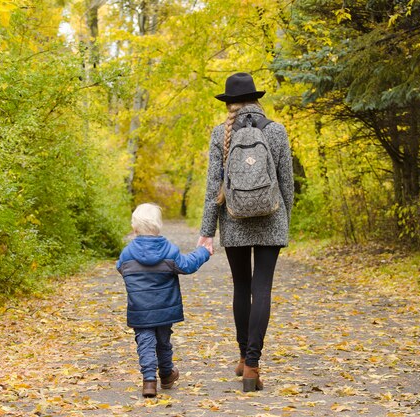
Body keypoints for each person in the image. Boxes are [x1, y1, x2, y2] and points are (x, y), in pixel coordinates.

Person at [197, 72, 294, 392]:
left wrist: (207, 230)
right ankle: (252, 365)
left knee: (241, 286)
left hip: (234, 219)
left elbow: (214, 186)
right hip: (272, 218)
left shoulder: (219, 134)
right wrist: (285, 222)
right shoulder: (277, 131)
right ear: (257, 100)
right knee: (262, 288)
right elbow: (287, 184)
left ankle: (242, 355)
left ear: (230, 104)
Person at [117, 203, 211, 398]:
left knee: (145, 341)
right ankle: (167, 375)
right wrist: (203, 252)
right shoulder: (169, 250)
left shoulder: (127, 253)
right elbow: (187, 265)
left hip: (139, 309)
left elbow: (121, 268)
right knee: (163, 342)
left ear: (134, 228)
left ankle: (149, 381)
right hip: (165, 308)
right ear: (159, 226)